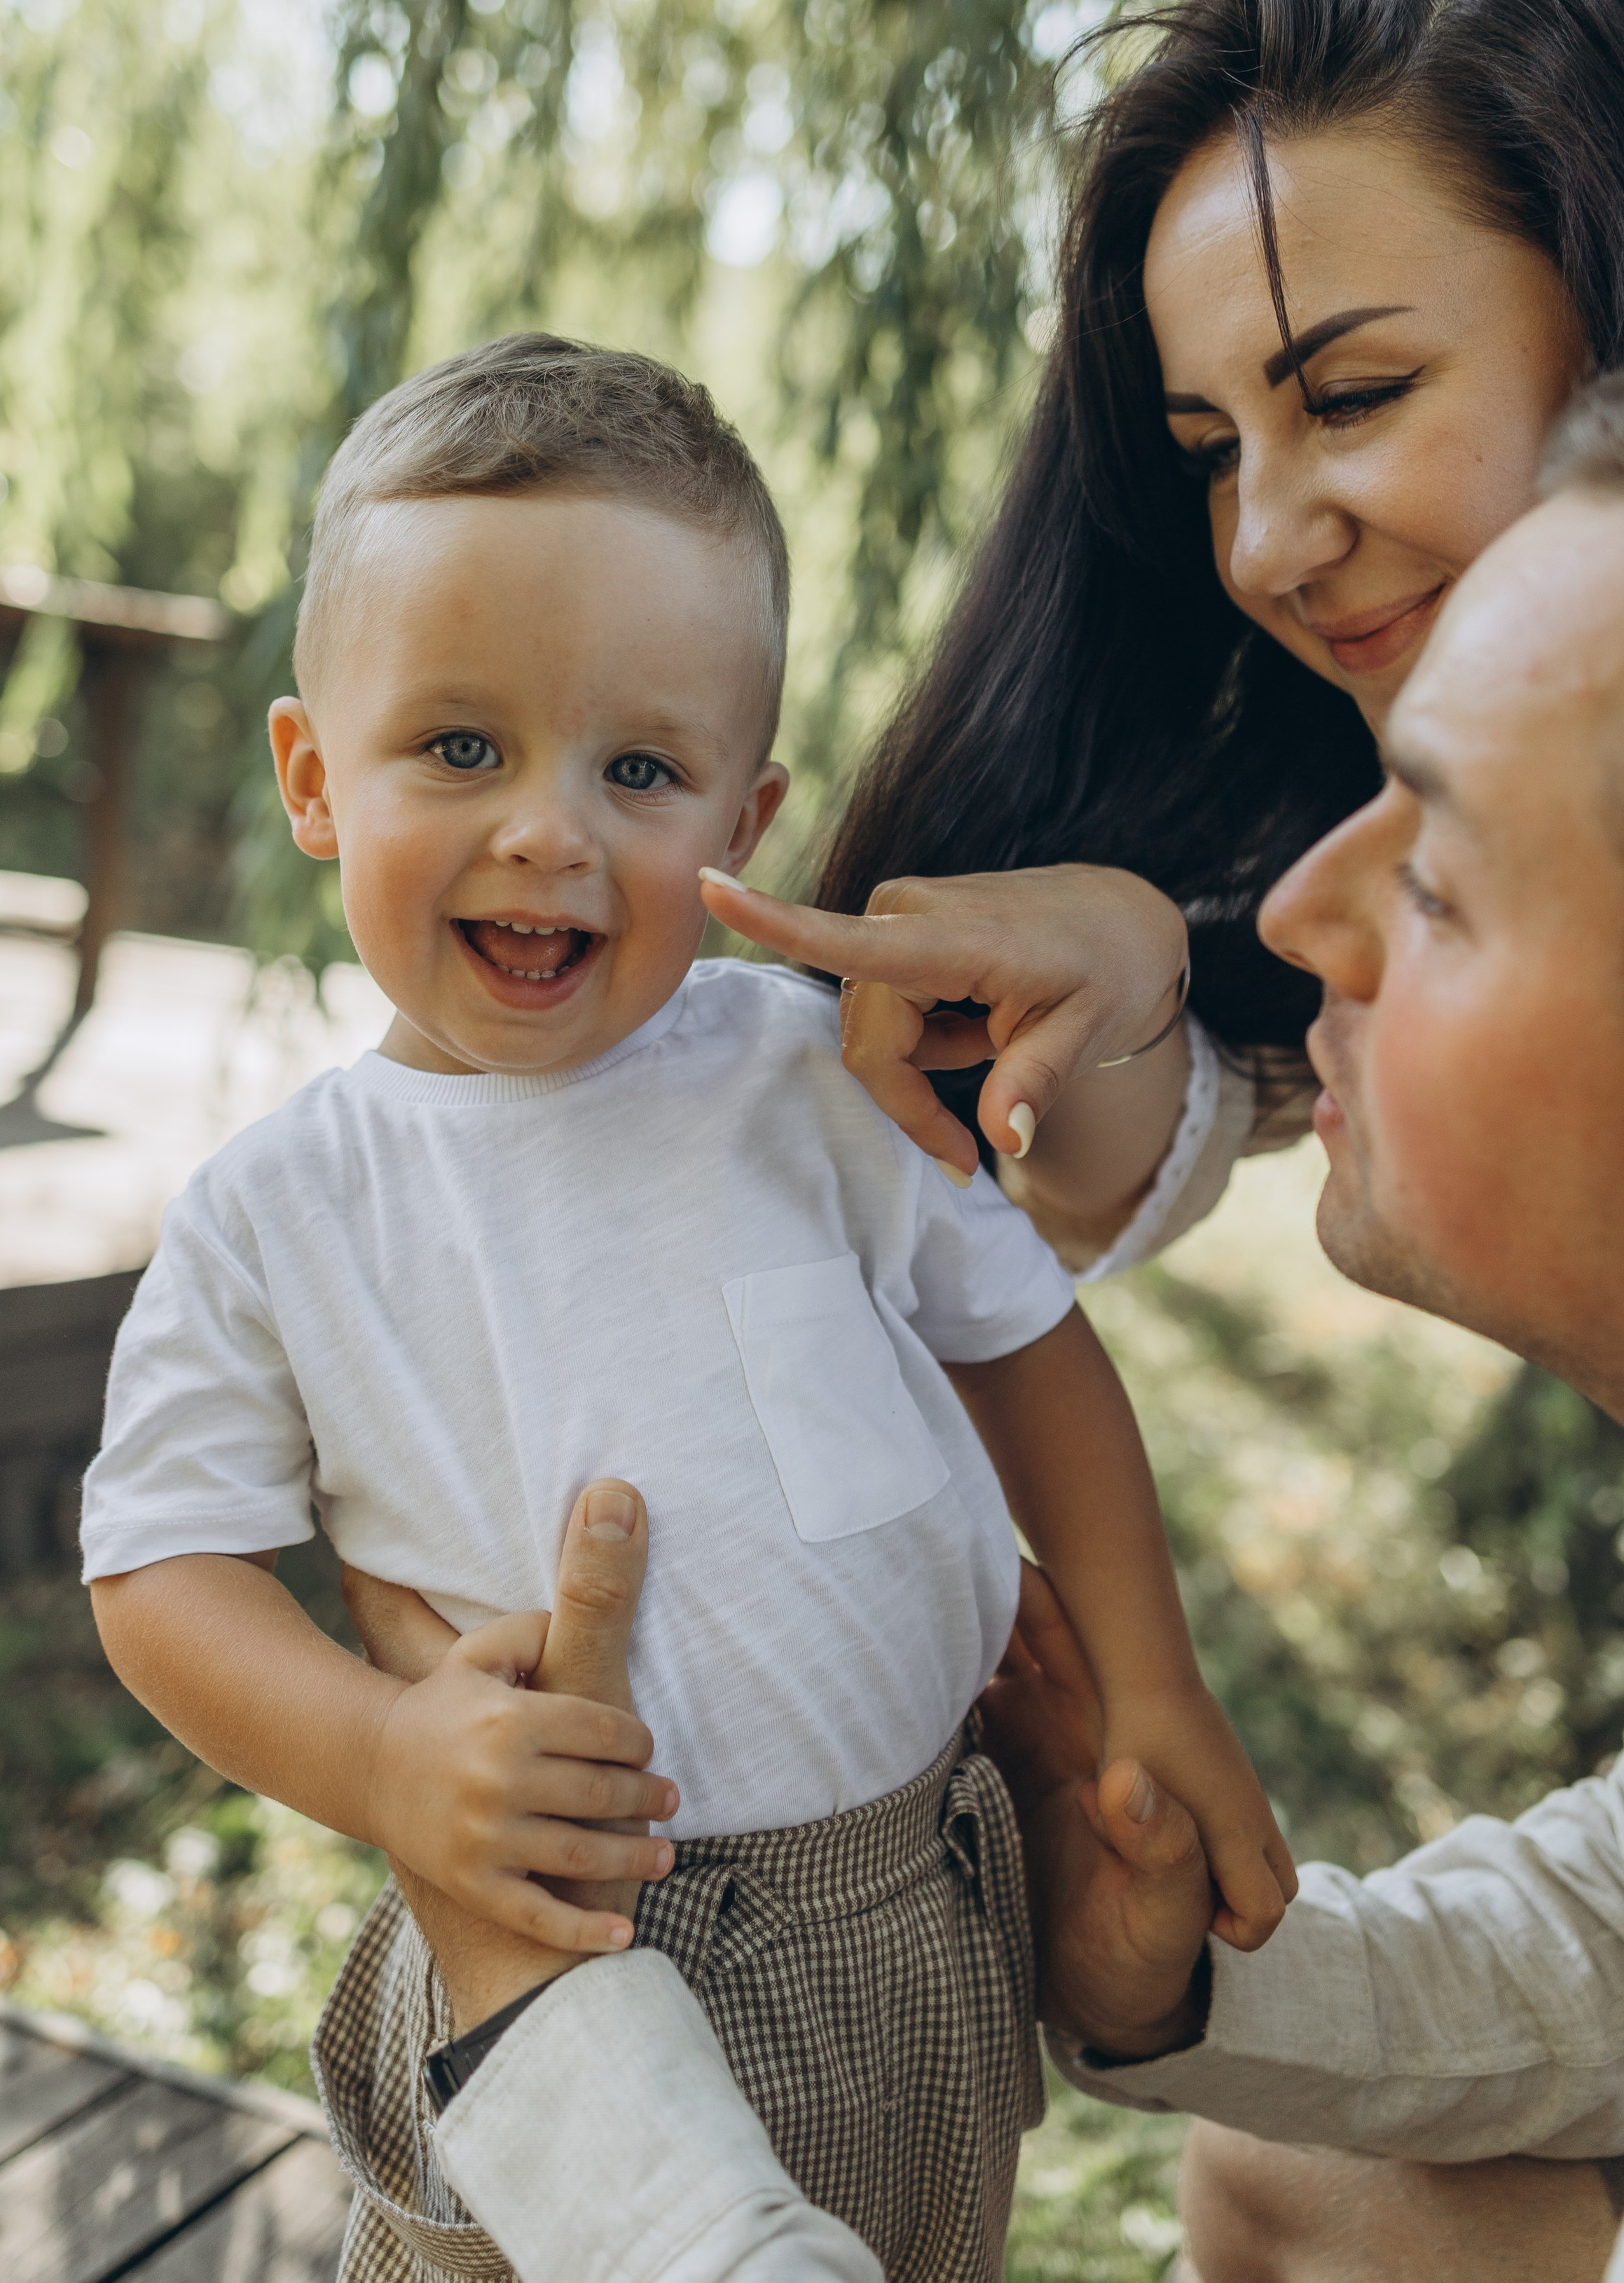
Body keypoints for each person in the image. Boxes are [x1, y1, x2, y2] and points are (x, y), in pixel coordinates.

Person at [343, 376, 1624, 2283]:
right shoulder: (330, 1193)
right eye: (1200, 444)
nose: (1293, 906)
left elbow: (1023, 1344)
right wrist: (1176, 1985)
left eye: (1435, 868)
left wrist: (544, 2025)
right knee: (1293, 2185)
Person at [78, 333, 1289, 2282]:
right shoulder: (284, 1210)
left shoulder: (809, 1071)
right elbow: (160, 1570)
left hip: (916, 1903)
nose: (550, 830)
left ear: (743, 817)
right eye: (460, 747)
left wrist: (1154, 1684)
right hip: (565, 1944)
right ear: (315, 775)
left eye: (639, 768)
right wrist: (386, 1759)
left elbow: (1029, 1350)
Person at [699, 0, 1619, 1298]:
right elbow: (1138, 1139)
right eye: (1207, 454)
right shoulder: (1345, 837)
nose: (1259, 548)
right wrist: (1126, 974)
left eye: (1351, 396)